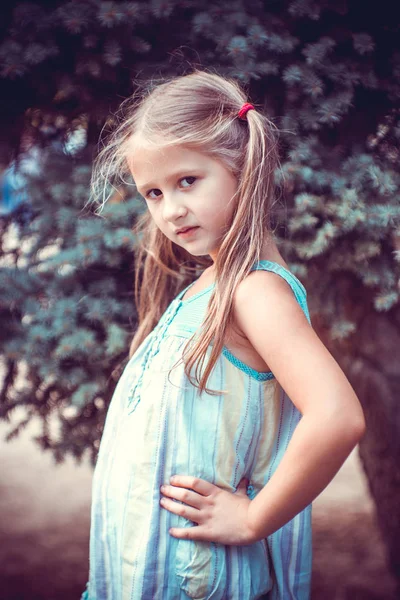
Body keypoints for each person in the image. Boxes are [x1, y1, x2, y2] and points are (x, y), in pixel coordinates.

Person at [82, 69, 366, 600]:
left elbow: (338, 416)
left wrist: (255, 518)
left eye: (188, 181)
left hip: (202, 582)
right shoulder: (207, 287)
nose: (170, 210)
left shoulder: (254, 291)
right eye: (153, 192)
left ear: (243, 169)